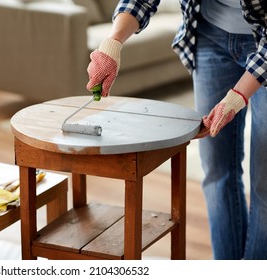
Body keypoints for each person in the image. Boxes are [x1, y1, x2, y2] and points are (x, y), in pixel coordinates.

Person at [86, 0, 267, 260]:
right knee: (216, 169)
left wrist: (239, 95)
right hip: (210, 34)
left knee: (264, 183)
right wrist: (113, 43)